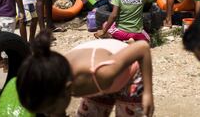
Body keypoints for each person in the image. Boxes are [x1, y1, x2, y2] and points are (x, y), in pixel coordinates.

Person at [16, 30, 154, 117]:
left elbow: (142, 47)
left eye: (51, 109)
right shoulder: (57, 72)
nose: (49, 115)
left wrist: (148, 93)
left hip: (128, 75)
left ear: (68, 89)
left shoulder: (101, 73)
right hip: (101, 81)